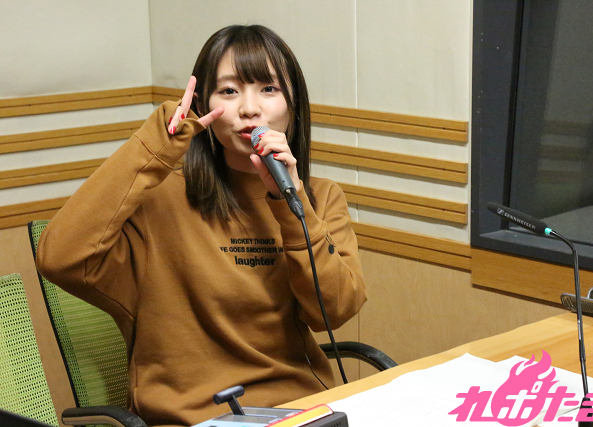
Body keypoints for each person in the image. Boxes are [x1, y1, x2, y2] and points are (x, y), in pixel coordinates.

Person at [36, 25, 366, 427]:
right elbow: (58, 258)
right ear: (202, 105)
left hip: (299, 411)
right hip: (190, 419)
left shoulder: (319, 197)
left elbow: (336, 310)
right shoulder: (158, 201)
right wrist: (155, 145)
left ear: (293, 106)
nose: (249, 108)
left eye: (268, 89)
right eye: (228, 91)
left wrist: (290, 201)